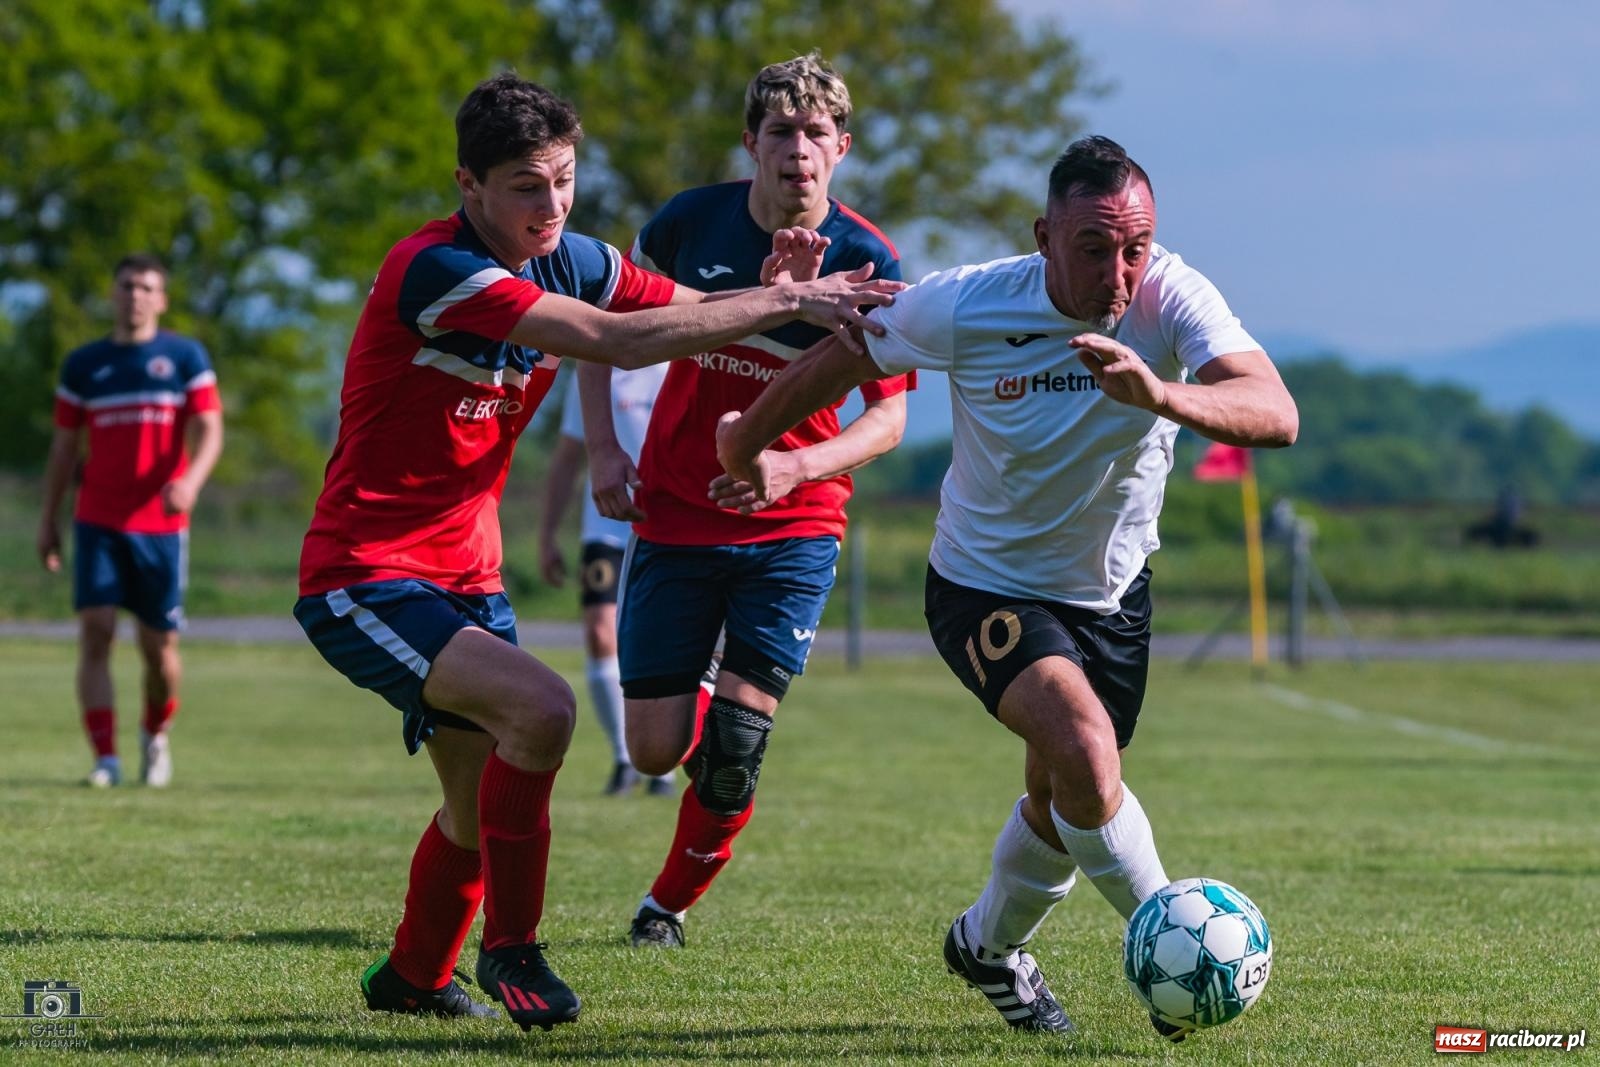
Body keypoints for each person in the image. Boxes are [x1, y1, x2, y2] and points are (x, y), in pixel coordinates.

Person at [291, 71, 901, 1033]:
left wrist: (794, 303)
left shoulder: (573, 257)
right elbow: (621, 341)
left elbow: (686, 317)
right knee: (546, 710)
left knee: (471, 807)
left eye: (565, 180)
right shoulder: (436, 269)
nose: (553, 206)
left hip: (466, 578)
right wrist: (791, 295)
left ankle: (410, 978)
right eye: (527, 187)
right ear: (470, 187)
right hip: (365, 573)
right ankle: (515, 950)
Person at [714, 135, 1298, 1041]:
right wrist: (750, 445)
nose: (1120, 269)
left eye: (1135, 246)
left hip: (1111, 596)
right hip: (983, 585)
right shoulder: (970, 303)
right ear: (1044, 236)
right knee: (1086, 748)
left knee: (1063, 804)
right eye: (1096, 247)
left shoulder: (1172, 295)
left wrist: (1162, 395)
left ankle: (984, 946)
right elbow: (838, 363)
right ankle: (1173, 943)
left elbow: (1276, 411)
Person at [577, 53, 911, 951]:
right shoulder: (688, 225)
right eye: (780, 132)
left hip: (794, 524)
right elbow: (607, 334)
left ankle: (665, 908)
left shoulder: (870, 258)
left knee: (732, 752)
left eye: (815, 135)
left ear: (841, 148)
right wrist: (606, 447)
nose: (797, 150)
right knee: (652, 749)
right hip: (678, 512)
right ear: (750, 143)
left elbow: (888, 424)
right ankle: (707, 707)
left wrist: (799, 471)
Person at [37, 253, 225, 790]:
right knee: (95, 631)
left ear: (161, 299)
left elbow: (210, 429)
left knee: (158, 649)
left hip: (161, 528)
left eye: (146, 287)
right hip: (96, 518)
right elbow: (62, 448)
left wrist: (191, 483)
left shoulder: (184, 356)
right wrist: (49, 520)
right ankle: (106, 759)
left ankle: (155, 734)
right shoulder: (84, 365)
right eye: (126, 286)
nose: (135, 295)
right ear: (112, 294)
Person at [536, 366, 679, 795]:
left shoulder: (679, 360)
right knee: (601, 633)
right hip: (607, 525)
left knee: (667, 642)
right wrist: (547, 535)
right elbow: (567, 456)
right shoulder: (597, 368)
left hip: (669, 525)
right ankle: (624, 759)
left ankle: (662, 766)